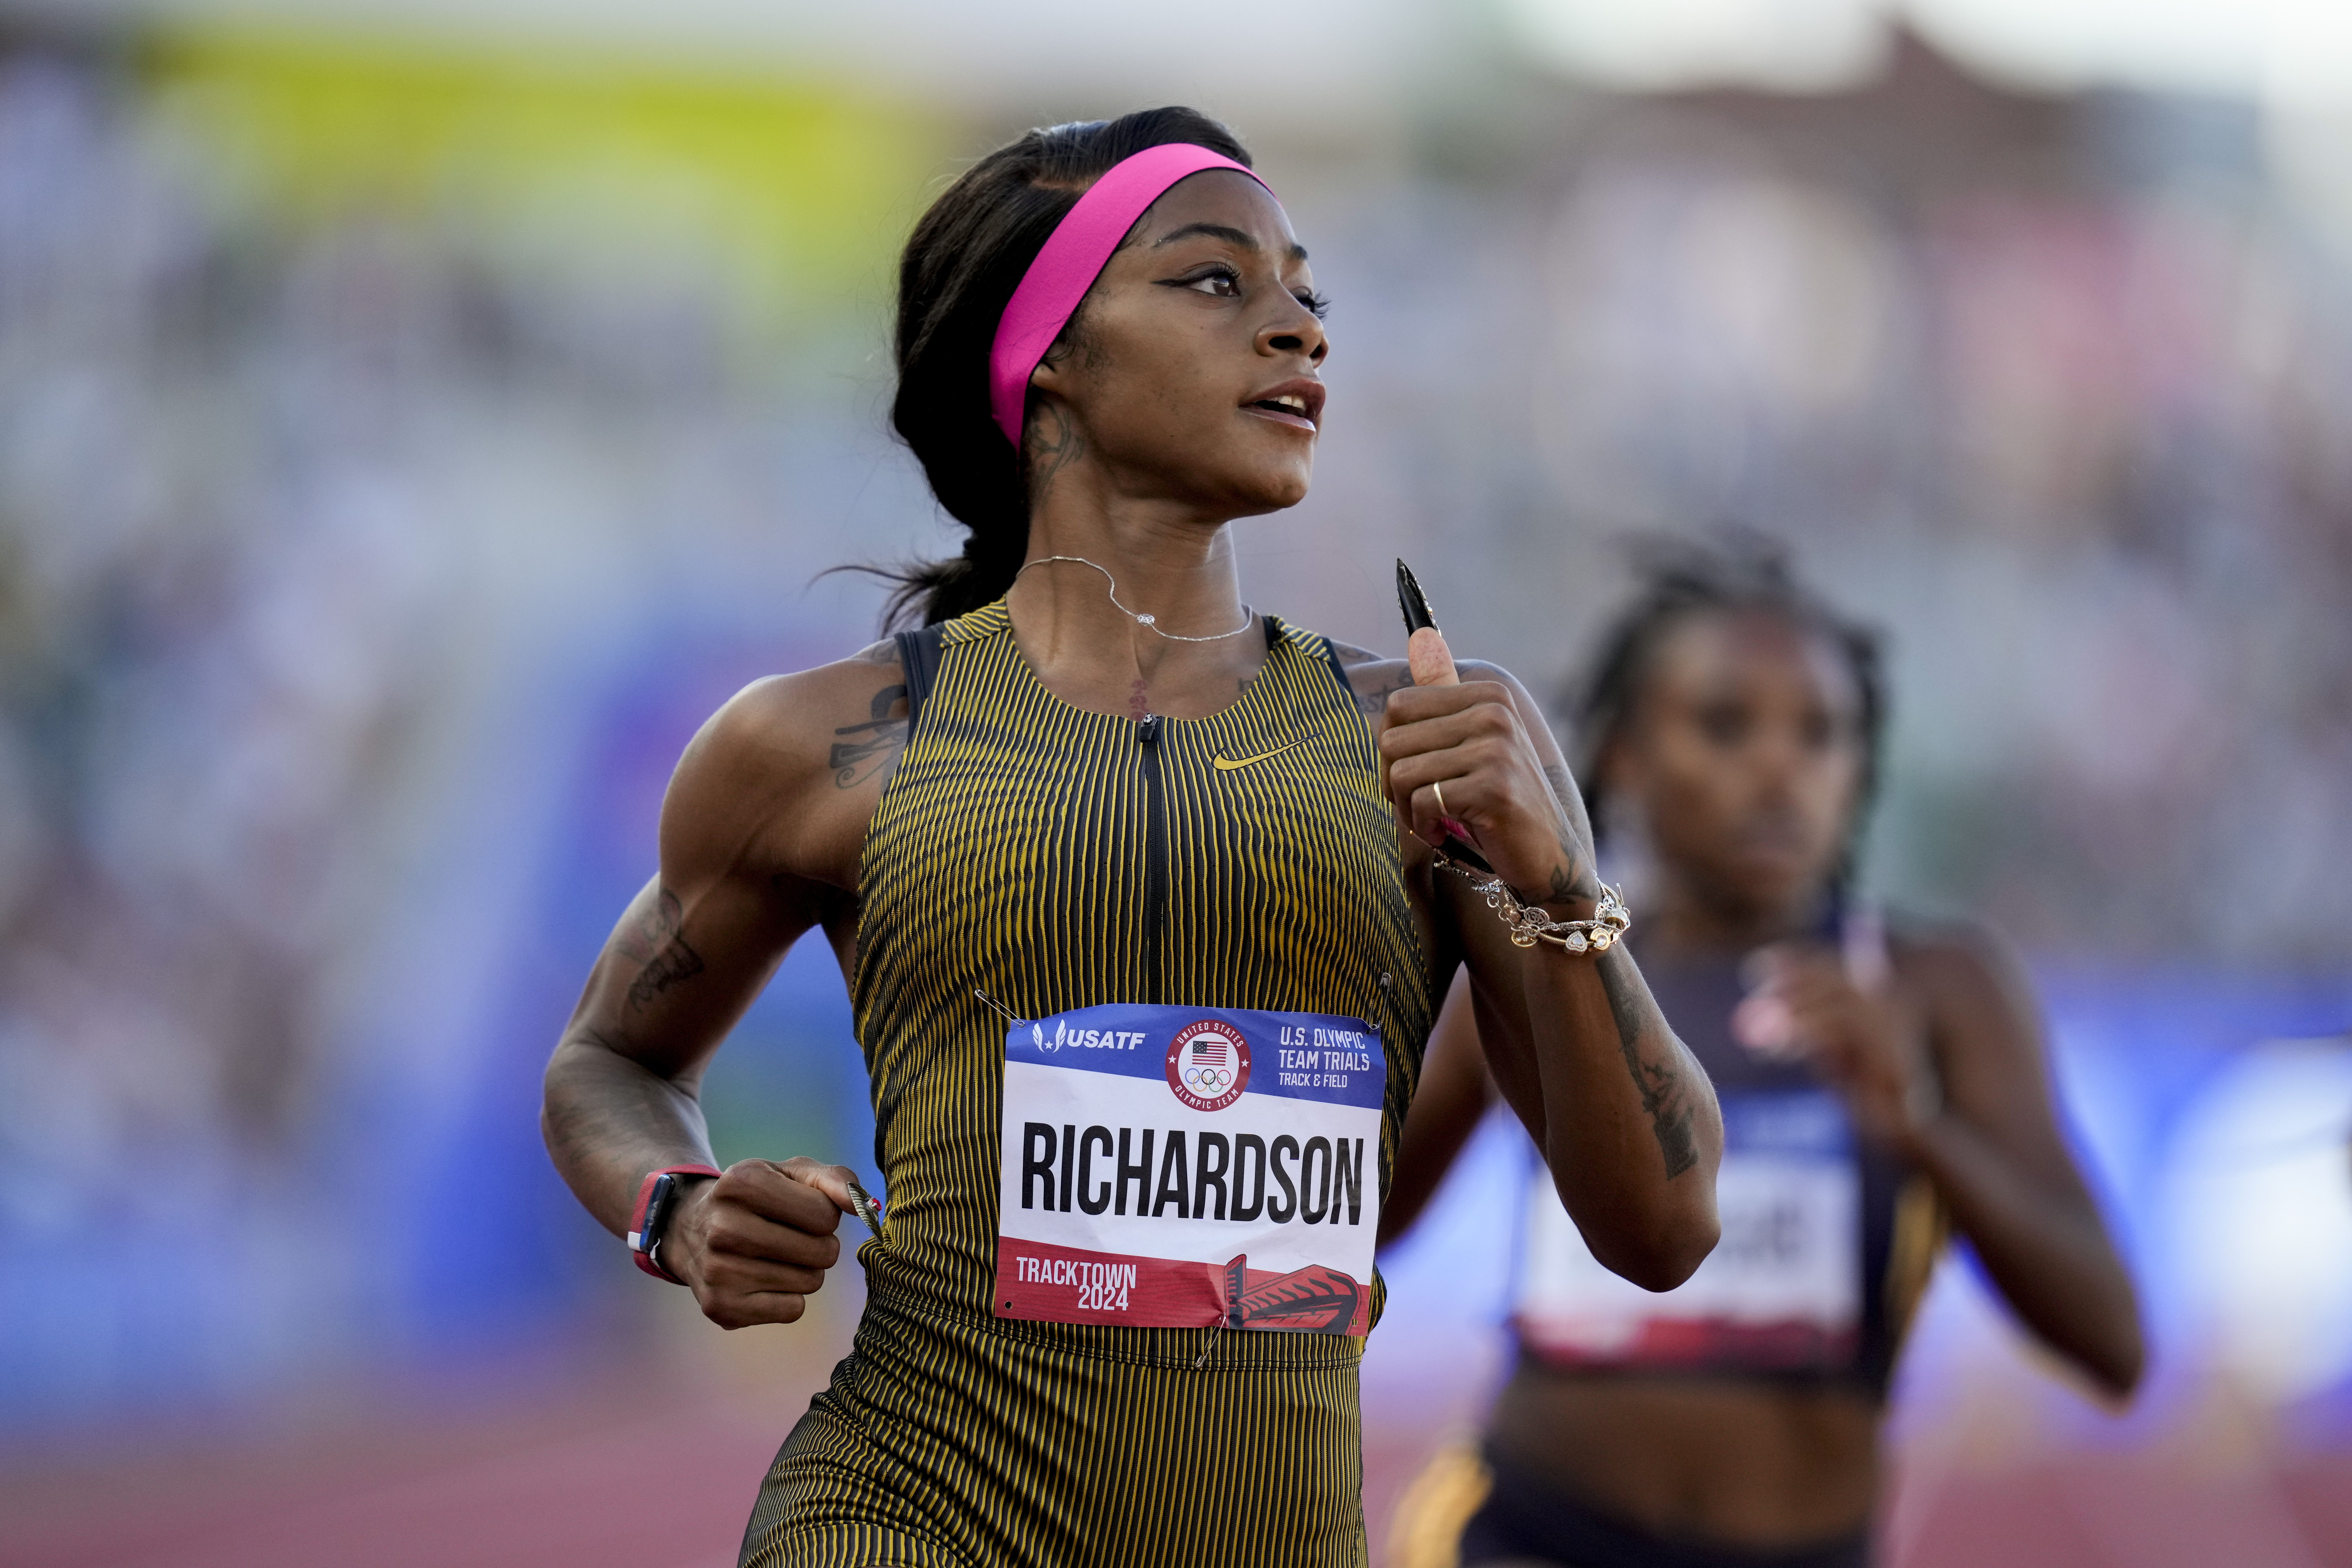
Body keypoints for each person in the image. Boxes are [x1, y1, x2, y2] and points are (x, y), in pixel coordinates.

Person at [540, 108, 1725, 1568]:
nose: (1298, 327)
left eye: (1307, 293)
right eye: (1217, 282)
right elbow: (610, 1061)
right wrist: (681, 1207)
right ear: (1050, 367)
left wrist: (1558, 883)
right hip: (902, 1519)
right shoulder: (821, 746)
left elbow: (1664, 1231)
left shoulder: (1430, 740)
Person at [1382, 538, 2144, 1568]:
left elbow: (2116, 1346)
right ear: (1625, 757)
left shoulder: (1934, 989)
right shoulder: (1546, 954)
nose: (1781, 768)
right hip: (1534, 1534)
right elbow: (1353, 1221)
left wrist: (1921, 1122)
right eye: (1725, 724)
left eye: (1822, 733)